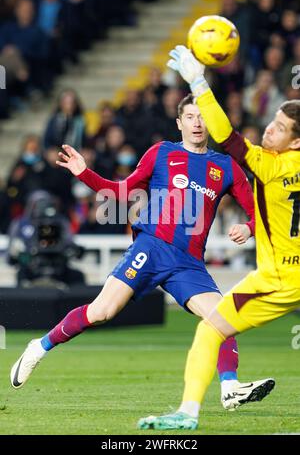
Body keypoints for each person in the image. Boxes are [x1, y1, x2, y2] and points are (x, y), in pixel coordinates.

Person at [10, 95, 272, 422]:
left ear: (211, 123)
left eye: (202, 117)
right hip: (151, 248)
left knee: (223, 319)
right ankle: (40, 346)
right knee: (102, 311)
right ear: (179, 122)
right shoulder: (162, 152)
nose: (196, 123)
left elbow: (259, 213)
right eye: (189, 116)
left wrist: (249, 228)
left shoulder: (226, 167)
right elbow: (121, 191)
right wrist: (84, 173)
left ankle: (230, 387)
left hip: (189, 263)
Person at [137, 45, 300, 430]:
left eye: (279, 127)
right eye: (273, 119)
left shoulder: (270, 165)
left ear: (294, 142)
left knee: (211, 328)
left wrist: (197, 81)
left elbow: (226, 136)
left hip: (281, 278)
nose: (269, 128)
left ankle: (187, 414)